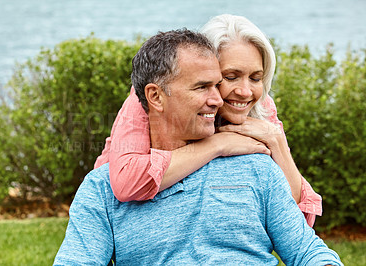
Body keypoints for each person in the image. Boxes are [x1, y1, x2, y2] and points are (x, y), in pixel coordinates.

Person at [54, 28, 342, 265]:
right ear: (155, 97)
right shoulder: (103, 189)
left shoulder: (257, 166)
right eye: (203, 86)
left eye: (219, 84)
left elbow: (307, 251)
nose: (220, 99)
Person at [93, 14, 322, 226]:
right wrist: (217, 145)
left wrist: (276, 141)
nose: (245, 91)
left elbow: (299, 221)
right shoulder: (148, 98)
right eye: (230, 77)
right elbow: (126, 183)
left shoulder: (260, 105)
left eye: (256, 77)